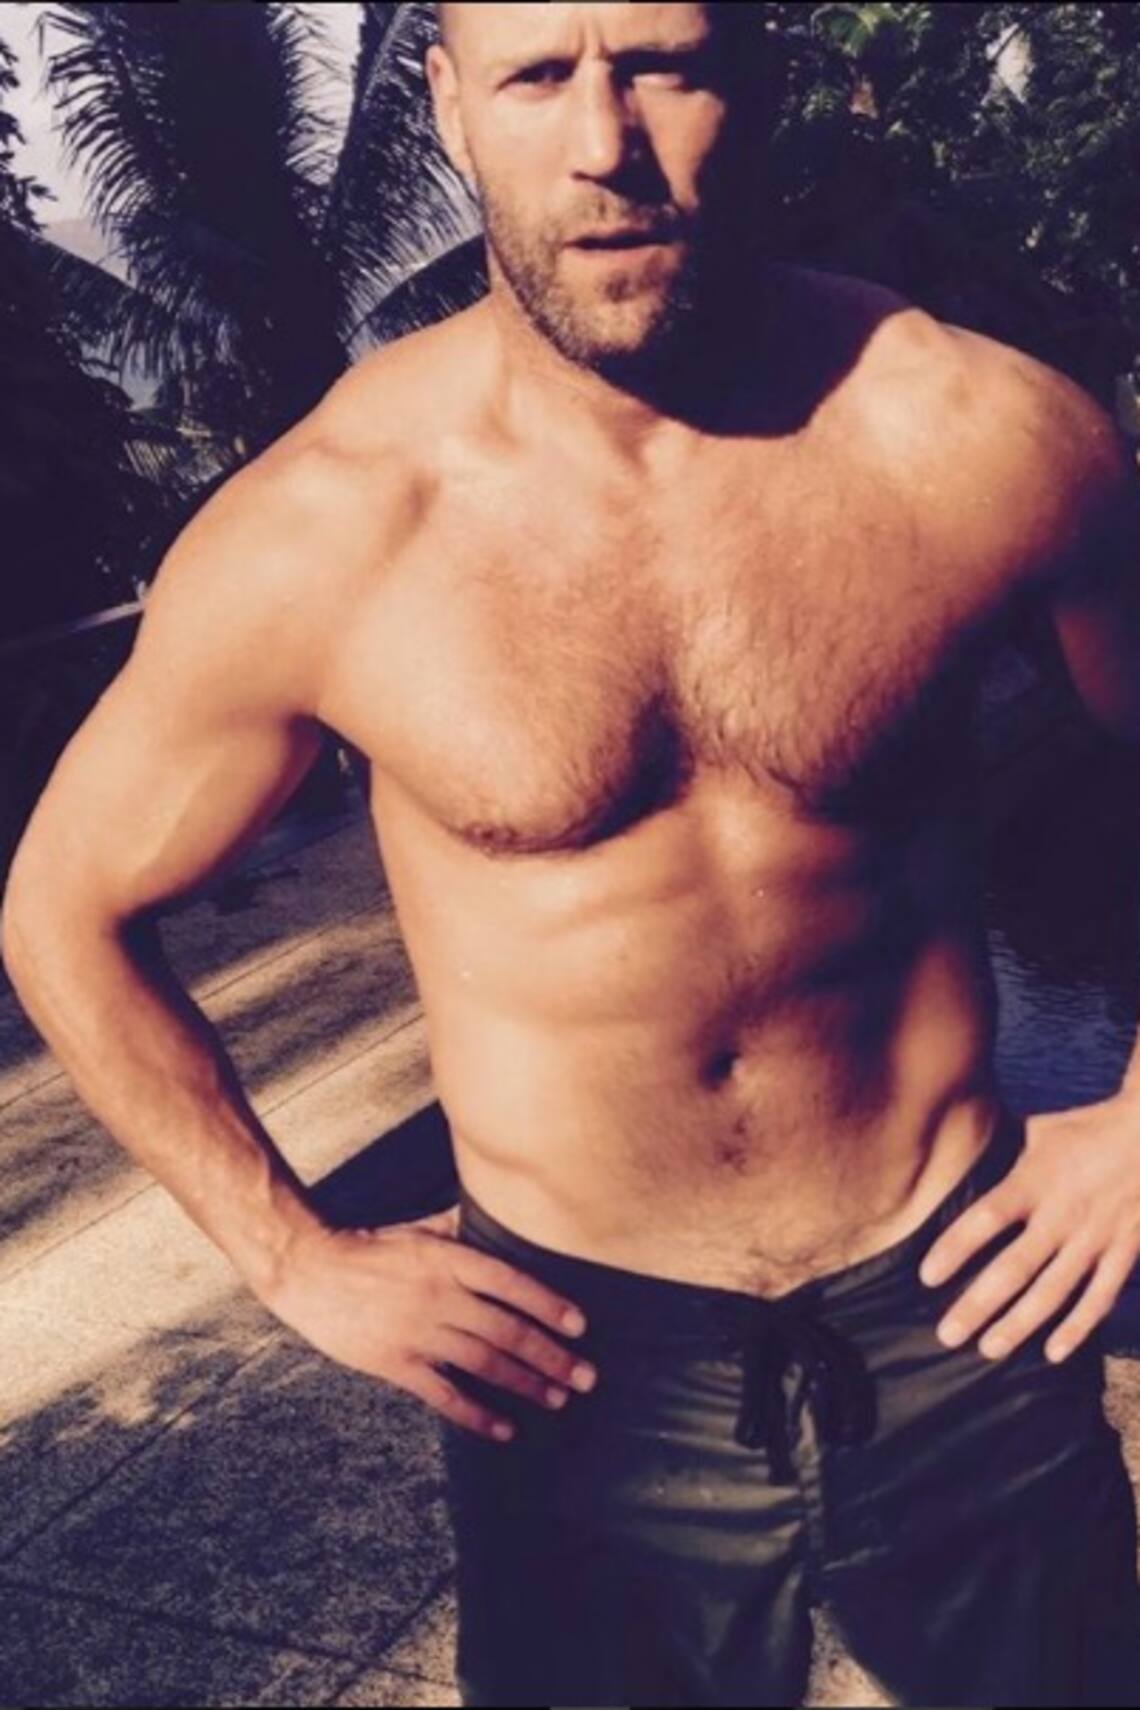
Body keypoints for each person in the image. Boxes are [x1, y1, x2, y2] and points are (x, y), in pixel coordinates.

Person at [4, 2, 1140, 1703]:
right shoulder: (326, 529)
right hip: (578, 1359)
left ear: (754, 78)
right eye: (538, 75)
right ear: (451, 107)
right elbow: (62, 908)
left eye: (662, 65)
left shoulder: (976, 436)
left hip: (961, 1301)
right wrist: (292, 1253)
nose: (606, 145)